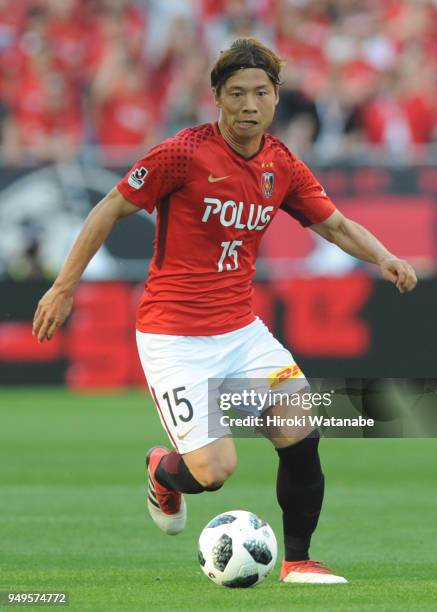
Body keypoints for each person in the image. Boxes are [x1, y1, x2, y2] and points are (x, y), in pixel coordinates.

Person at [32, 38, 417, 585]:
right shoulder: (182, 153)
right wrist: (64, 286)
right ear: (216, 97)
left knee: (301, 431)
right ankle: (162, 472)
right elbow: (111, 206)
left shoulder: (281, 163)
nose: (248, 105)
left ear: (277, 97)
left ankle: (298, 561)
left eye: (260, 92)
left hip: (242, 331)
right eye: (236, 93)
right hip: (174, 338)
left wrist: (384, 256)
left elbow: (333, 224)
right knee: (214, 472)